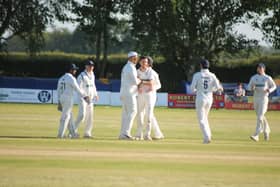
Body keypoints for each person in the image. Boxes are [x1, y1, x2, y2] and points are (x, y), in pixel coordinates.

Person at [190, 59, 223, 144]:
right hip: (209, 99)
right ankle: (208, 135)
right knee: (205, 118)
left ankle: (207, 137)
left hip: (200, 98)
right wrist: (212, 89)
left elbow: (192, 89)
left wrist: (197, 90)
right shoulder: (212, 75)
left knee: (201, 119)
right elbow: (219, 88)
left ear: (201, 65)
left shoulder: (197, 75)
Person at [57, 64, 90, 139]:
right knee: (66, 117)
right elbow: (78, 89)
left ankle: (73, 134)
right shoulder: (71, 78)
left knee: (70, 116)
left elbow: (58, 90)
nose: (75, 71)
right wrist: (85, 96)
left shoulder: (61, 78)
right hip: (68, 98)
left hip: (62, 98)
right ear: (70, 70)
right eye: (74, 69)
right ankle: (60, 135)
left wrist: (59, 101)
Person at [135, 56, 164, 140]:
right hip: (140, 95)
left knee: (149, 115)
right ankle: (138, 134)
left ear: (148, 63)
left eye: (146, 62)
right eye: (142, 61)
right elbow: (135, 83)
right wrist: (139, 87)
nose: (144, 63)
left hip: (150, 95)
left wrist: (150, 86)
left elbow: (157, 84)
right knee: (140, 114)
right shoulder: (137, 72)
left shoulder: (152, 72)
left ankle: (147, 134)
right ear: (140, 62)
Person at [248, 63, 276, 142]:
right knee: (260, 116)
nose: (259, 69)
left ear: (264, 69)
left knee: (260, 116)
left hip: (264, 98)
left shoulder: (267, 78)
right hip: (256, 98)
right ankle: (267, 131)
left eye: (260, 68)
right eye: (258, 68)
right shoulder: (254, 77)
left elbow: (274, 86)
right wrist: (252, 88)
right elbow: (249, 87)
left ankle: (256, 134)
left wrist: (269, 90)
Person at [74, 60, 99, 138]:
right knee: (82, 115)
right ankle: (73, 131)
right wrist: (85, 96)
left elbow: (93, 85)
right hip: (83, 98)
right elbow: (78, 88)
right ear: (86, 66)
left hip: (90, 99)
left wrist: (96, 94)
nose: (91, 67)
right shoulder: (81, 75)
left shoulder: (93, 74)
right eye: (89, 65)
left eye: (92, 66)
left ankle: (87, 133)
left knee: (90, 116)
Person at [119, 51, 141, 140]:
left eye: (137, 57)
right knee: (133, 111)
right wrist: (140, 80)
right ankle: (126, 133)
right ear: (130, 58)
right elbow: (135, 82)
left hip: (125, 93)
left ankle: (122, 134)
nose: (136, 59)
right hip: (129, 93)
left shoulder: (127, 67)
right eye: (135, 57)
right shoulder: (130, 67)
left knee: (126, 114)